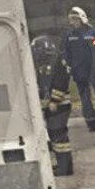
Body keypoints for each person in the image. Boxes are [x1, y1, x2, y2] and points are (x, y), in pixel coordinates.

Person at [31, 36, 74, 176]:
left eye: (37, 51)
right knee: (55, 136)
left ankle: (65, 169)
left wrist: (54, 101)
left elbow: (61, 82)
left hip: (59, 106)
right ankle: (63, 165)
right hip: (51, 107)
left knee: (59, 137)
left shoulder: (57, 62)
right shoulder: (43, 63)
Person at [63, 7, 95, 131]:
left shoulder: (93, 32)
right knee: (85, 98)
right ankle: (91, 122)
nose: (73, 22)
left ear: (81, 18)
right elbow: (66, 53)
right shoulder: (69, 35)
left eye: (75, 19)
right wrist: (68, 65)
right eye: (71, 19)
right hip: (79, 71)